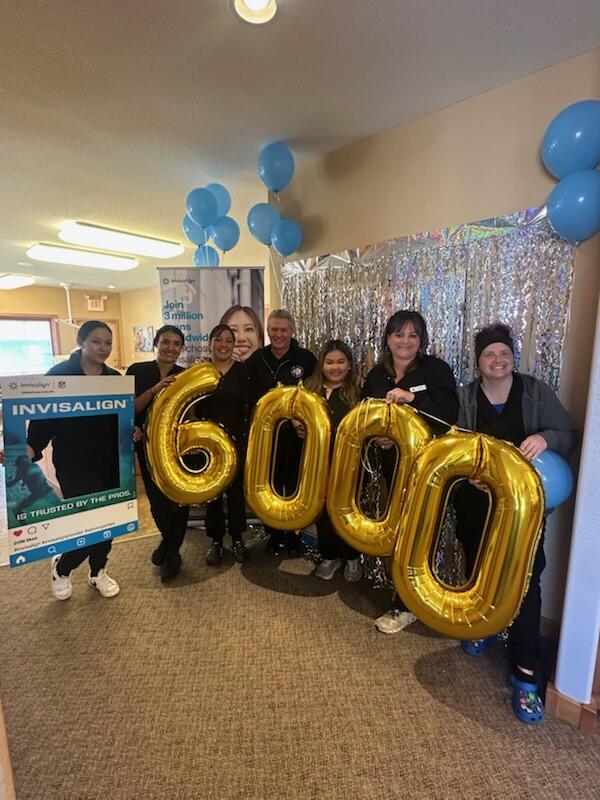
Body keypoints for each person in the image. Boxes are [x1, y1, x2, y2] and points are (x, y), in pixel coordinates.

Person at [454, 322, 577, 725]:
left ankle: (526, 673)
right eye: (489, 354)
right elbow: (455, 445)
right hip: (478, 504)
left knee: (526, 582)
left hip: (525, 510)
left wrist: (546, 438)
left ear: (512, 358)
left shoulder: (535, 391)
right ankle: (485, 626)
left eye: (504, 353)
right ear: (479, 361)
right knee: (479, 570)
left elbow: (568, 434)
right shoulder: (466, 396)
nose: (497, 360)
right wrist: (469, 471)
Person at [26, 320, 140, 600]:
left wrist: (133, 429)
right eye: (96, 341)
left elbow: (123, 420)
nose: (103, 348)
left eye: (108, 343)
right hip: (75, 466)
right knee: (88, 524)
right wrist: (29, 448)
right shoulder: (59, 375)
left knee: (108, 523)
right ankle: (62, 568)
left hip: (111, 463)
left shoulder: (114, 379)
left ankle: (98, 571)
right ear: (81, 341)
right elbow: (42, 422)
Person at [362, 310, 458, 633]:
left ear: (422, 340)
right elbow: (365, 418)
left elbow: (448, 415)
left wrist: (412, 397)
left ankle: (407, 605)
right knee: (397, 534)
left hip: (429, 472)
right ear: (387, 338)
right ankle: (403, 596)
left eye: (413, 335)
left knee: (418, 536)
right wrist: (378, 438)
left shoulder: (437, 370)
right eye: (399, 334)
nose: (405, 341)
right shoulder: (376, 375)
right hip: (392, 471)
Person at [246, 309, 317, 554]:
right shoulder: (256, 359)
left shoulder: (306, 359)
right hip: (266, 439)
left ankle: (295, 535)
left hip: (298, 436)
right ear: (267, 331)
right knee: (270, 485)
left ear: (292, 331)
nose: (278, 334)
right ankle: (275, 534)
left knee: (297, 485)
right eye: (274, 330)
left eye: (283, 330)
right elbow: (250, 400)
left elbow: (315, 395)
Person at [295, 340, 362, 581]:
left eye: (341, 362)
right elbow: (294, 414)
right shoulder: (310, 389)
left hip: (348, 465)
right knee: (322, 511)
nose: (335, 367)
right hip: (317, 463)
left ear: (349, 365)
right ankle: (330, 556)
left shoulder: (358, 391)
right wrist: (297, 423)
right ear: (321, 364)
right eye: (330, 362)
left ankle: (352, 557)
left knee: (348, 511)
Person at [126, 325, 189, 581]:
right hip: (147, 446)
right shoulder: (137, 371)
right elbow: (129, 409)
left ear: (181, 348)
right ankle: (169, 545)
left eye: (176, 344)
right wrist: (156, 389)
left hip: (176, 448)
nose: (170, 348)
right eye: (166, 342)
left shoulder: (185, 375)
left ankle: (171, 553)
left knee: (180, 500)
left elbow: (190, 412)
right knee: (157, 502)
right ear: (156, 343)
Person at [195, 324, 251, 565]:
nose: (224, 344)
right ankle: (216, 540)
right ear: (210, 343)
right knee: (213, 495)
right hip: (209, 446)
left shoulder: (244, 372)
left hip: (237, 442)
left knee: (236, 493)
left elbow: (251, 407)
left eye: (229, 340)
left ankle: (238, 538)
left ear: (233, 345)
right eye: (219, 339)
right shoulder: (200, 372)